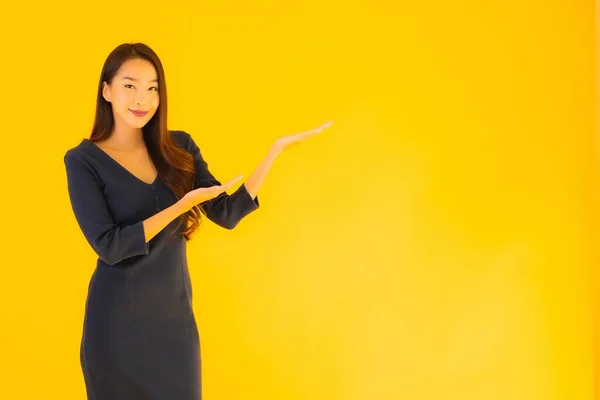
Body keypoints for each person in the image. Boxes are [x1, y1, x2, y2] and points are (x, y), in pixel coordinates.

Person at [63, 42, 332, 400]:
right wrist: (180, 206)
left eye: (152, 87)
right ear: (107, 90)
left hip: (174, 327)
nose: (142, 98)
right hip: (115, 330)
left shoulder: (179, 147)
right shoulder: (83, 160)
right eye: (130, 85)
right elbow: (110, 246)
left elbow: (227, 213)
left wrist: (274, 152)